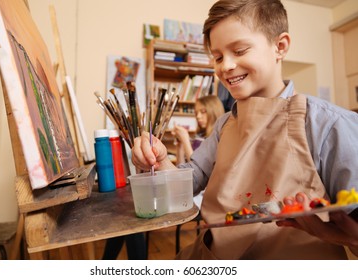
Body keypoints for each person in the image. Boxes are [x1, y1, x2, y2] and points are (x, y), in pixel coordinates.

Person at [131, 0, 358, 259]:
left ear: (280, 47)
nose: (225, 66)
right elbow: (190, 181)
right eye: (217, 57)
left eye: (239, 51)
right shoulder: (224, 125)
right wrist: (160, 162)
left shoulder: (329, 125)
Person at [172, 95, 225, 164]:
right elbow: (181, 169)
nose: (198, 116)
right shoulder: (199, 137)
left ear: (214, 112)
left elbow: (198, 169)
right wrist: (180, 146)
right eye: (196, 113)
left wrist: (185, 140)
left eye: (203, 112)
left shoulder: (219, 139)